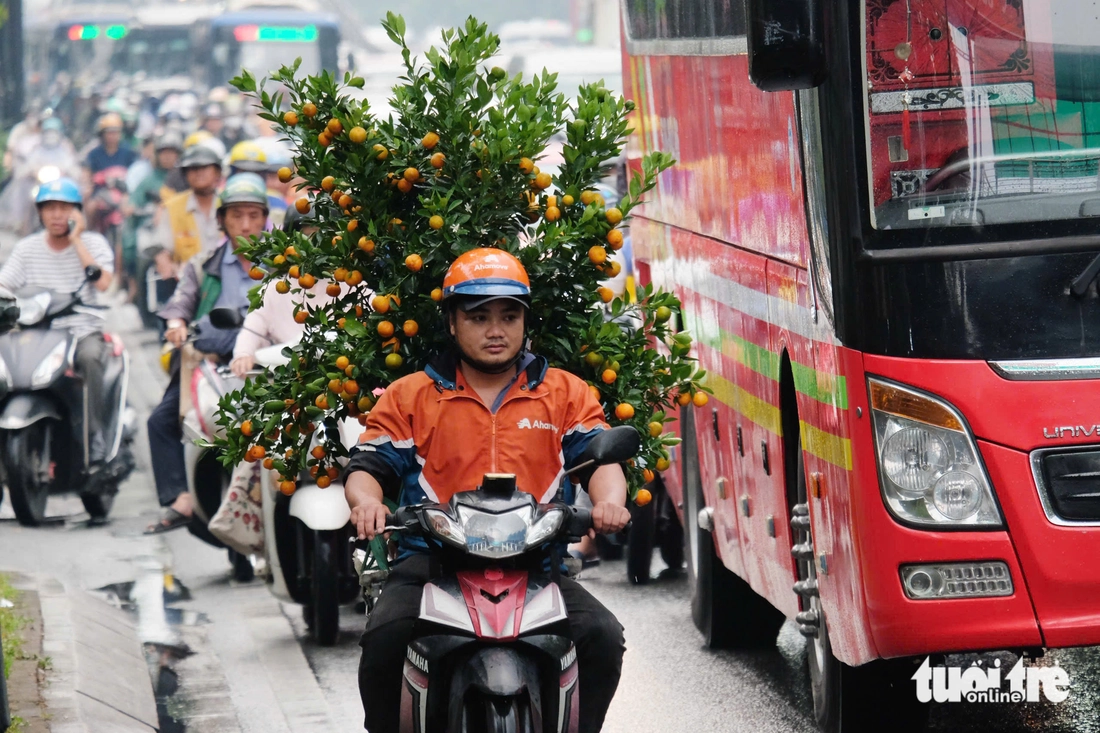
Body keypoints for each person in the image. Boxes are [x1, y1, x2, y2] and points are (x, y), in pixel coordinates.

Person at [345, 248, 630, 733]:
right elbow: (368, 465)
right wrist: (367, 502)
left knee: (602, 636)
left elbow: (598, 459)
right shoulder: (411, 394)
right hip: (431, 564)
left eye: (508, 315)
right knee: (385, 639)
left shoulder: (564, 392)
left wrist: (609, 504)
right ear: (452, 323)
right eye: (478, 317)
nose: (495, 330)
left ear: (525, 322)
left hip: (537, 565)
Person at [145, 173, 270, 533]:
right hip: (213, 364)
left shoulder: (285, 264)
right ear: (222, 220)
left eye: (253, 215)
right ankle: (181, 502)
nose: (245, 225)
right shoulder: (204, 264)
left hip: (268, 366)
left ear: (265, 218)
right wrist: (177, 324)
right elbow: (179, 304)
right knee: (160, 422)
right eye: (236, 216)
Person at [0, 179, 115, 463]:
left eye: (64, 208)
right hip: (35, 332)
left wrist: (77, 241)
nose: (56, 215)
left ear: (77, 213)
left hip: (80, 331)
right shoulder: (27, 249)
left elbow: (103, 283)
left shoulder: (94, 243)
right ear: (40, 212)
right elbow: (5, 284)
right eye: (49, 208)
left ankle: (95, 435)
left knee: (89, 359)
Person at [148, 144, 223, 284]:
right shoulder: (172, 207)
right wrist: (165, 262)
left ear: (217, 172)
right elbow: (162, 246)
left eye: (205, 167)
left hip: (227, 277)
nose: (199, 173)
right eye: (193, 169)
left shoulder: (230, 203)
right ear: (185, 174)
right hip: (186, 281)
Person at [82, 113, 137, 180]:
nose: (112, 136)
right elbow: (88, 176)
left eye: (115, 132)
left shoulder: (128, 153)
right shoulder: (94, 155)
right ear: (102, 134)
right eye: (109, 133)